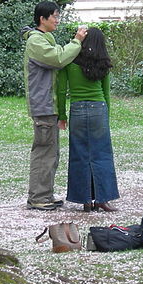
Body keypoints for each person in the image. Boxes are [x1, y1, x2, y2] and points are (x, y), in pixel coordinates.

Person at [21, 2, 88, 211]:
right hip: (43, 106)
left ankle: (44, 194)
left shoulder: (45, 40)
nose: (57, 20)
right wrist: (77, 41)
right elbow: (58, 58)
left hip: (48, 106)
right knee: (44, 152)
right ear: (43, 19)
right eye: (55, 17)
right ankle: (39, 197)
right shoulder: (36, 42)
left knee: (50, 152)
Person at [56, 27, 120, 212]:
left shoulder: (70, 61)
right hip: (98, 109)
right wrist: (106, 117)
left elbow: (61, 90)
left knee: (79, 155)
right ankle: (103, 198)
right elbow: (106, 94)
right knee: (102, 155)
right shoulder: (103, 63)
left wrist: (62, 115)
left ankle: (84, 199)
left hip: (77, 109)